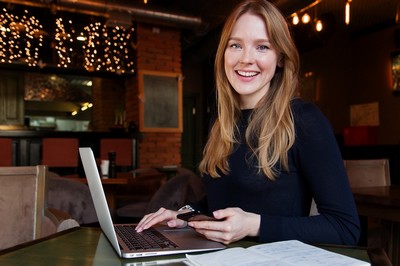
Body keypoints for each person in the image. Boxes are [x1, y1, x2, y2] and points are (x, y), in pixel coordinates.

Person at [136, 0, 360, 246]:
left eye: (262, 47)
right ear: (224, 53)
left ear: (281, 58)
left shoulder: (305, 120)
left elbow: (345, 228)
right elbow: (218, 204)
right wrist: (185, 214)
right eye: (236, 45)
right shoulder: (221, 120)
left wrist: (255, 225)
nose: (246, 59)